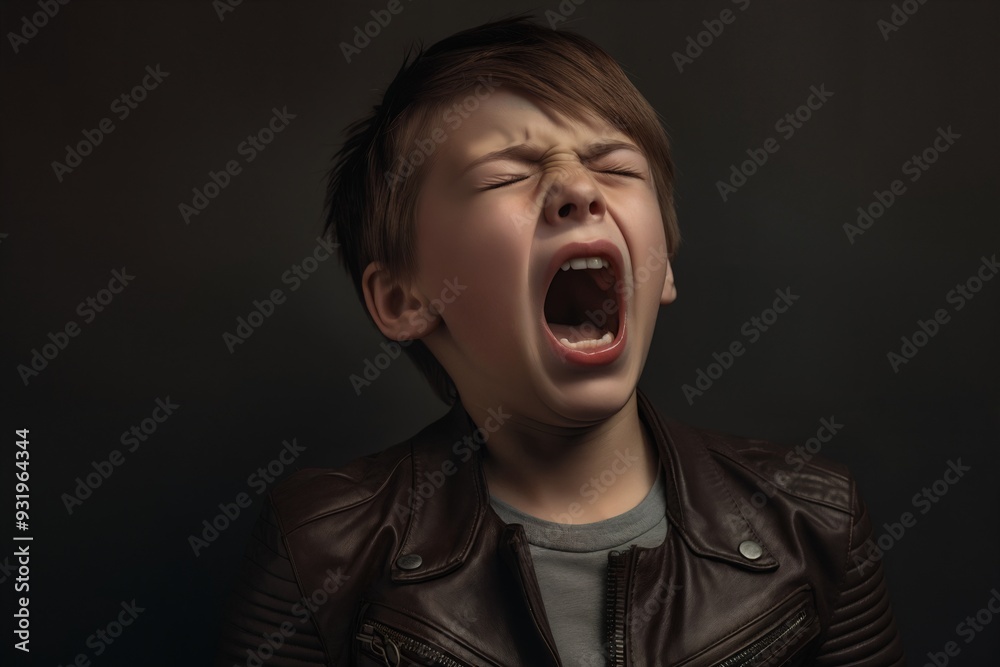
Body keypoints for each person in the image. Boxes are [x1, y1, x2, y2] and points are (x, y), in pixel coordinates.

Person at [216, 17, 904, 666]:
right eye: (505, 175)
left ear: (661, 266)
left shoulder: (814, 520)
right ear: (404, 299)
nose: (577, 188)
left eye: (616, 167)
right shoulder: (322, 545)